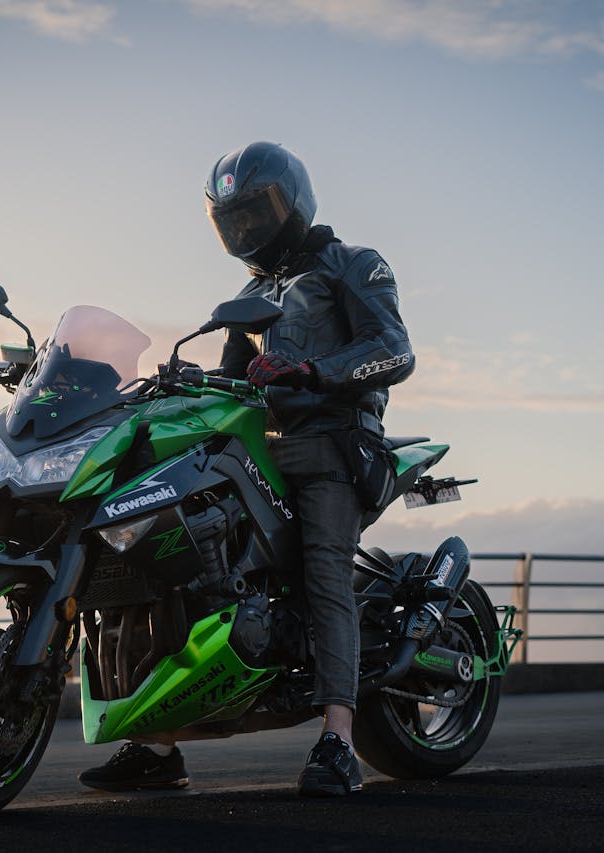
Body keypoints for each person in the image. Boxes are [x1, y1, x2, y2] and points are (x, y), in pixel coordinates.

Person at [79, 141, 415, 797]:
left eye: (257, 213)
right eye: (234, 220)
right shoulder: (249, 295)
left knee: (323, 566)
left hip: (334, 444)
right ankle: (157, 743)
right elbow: (230, 382)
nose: (248, 230)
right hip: (258, 450)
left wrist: (315, 373)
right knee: (171, 552)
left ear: (292, 202)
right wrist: (177, 381)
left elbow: (393, 350)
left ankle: (340, 739)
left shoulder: (353, 265)